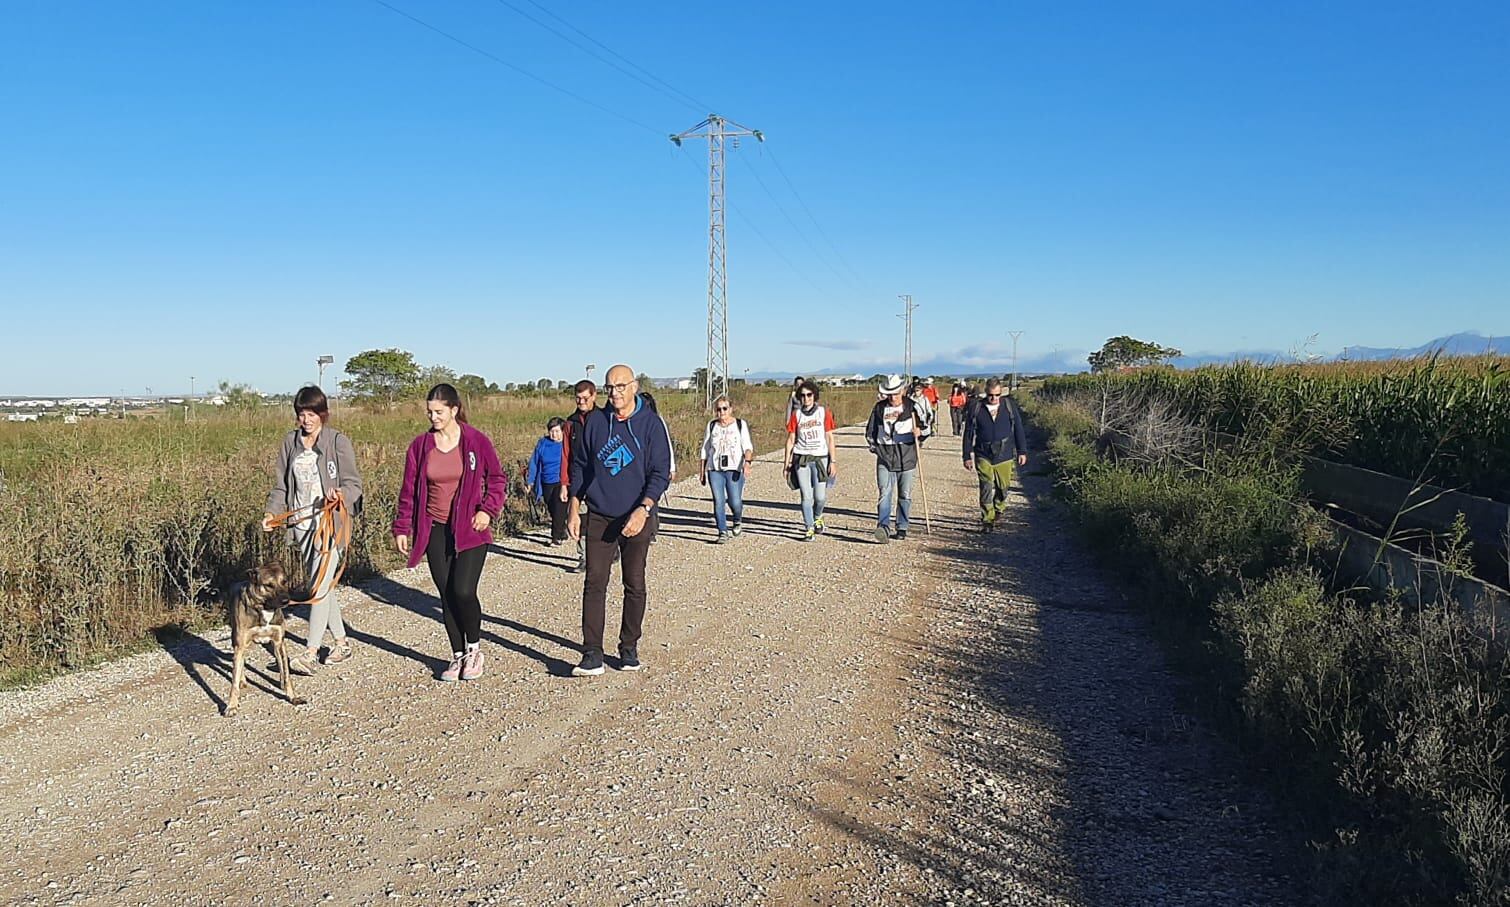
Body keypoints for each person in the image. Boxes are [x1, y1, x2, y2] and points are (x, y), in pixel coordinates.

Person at [392, 384, 507, 681]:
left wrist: (487, 509)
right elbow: (408, 491)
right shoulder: (420, 446)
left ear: (454, 410)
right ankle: (457, 656)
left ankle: (474, 650)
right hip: (435, 528)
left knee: (463, 590)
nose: (433, 417)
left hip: (470, 528)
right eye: (430, 412)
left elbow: (496, 478)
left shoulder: (475, 441)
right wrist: (402, 526)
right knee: (446, 593)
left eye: (439, 412)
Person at [567, 364, 672, 677]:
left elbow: (660, 472)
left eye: (621, 386)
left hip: (637, 514)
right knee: (594, 581)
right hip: (599, 514)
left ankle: (628, 647)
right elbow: (582, 466)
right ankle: (592, 653)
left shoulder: (650, 424)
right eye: (610, 387)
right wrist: (574, 505)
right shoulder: (597, 423)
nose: (615, 393)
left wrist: (643, 509)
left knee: (634, 582)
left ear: (635, 386)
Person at [262, 385, 362, 675]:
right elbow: (281, 486)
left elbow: (354, 485)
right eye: (301, 414)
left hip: (331, 526)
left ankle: (309, 652)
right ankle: (342, 643)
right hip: (302, 526)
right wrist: (272, 513)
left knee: (317, 588)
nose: (306, 420)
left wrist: (341, 494)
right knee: (325, 588)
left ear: (323, 414)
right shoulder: (289, 443)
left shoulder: (337, 442)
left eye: (312, 414)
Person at [962, 378, 1028, 532]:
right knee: (985, 486)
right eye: (991, 395)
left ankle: (999, 507)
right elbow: (968, 433)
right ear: (986, 393)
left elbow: (1018, 428)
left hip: (1004, 454)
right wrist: (966, 455)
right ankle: (987, 520)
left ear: (1001, 392)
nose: (994, 398)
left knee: (1003, 488)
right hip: (983, 453)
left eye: (997, 395)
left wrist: (1022, 451)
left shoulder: (1009, 406)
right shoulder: (977, 408)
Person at [865, 375, 921, 543]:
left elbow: (925, 426)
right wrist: (876, 448)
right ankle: (883, 527)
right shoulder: (879, 408)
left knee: (904, 494)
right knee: (884, 493)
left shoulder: (912, 407)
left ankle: (902, 526)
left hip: (907, 457)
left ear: (902, 391)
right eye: (889, 394)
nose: (893, 397)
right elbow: (870, 431)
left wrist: (920, 433)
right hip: (885, 457)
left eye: (895, 393)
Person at [783, 379, 838, 541]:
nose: (806, 398)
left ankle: (817, 517)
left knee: (819, 497)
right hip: (802, 458)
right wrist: (786, 463)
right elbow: (791, 440)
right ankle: (809, 527)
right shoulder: (796, 415)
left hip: (820, 458)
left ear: (814, 396)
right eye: (803, 395)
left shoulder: (823, 412)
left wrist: (833, 461)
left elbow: (829, 437)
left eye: (809, 395)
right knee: (806, 496)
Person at [699, 395, 754, 542]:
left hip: (734, 468)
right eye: (718, 409)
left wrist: (747, 462)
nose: (721, 412)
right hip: (715, 469)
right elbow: (705, 449)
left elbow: (748, 446)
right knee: (718, 500)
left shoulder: (740, 425)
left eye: (724, 408)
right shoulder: (712, 426)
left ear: (731, 409)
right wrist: (702, 471)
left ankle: (737, 519)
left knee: (735, 501)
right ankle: (722, 531)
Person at [558, 379, 599, 573]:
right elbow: (566, 454)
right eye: (578, 398)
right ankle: (584, 557)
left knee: (601, 515)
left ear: (594, 396)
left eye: (585, 398)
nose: (581, 402)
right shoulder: (570, 423)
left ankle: (610, 546)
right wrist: (564, 483)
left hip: (601, 477)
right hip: (578, 477)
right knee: (579, 517)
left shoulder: (604, 417)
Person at [528, 417, 568, 545]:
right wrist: (530, 481)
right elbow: (534, 462)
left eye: (557, 431)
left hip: (561, 481)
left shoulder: (566, 445)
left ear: (562, 431)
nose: (554, 434)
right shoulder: (543, 443)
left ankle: (556, 537)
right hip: (545, 481)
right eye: (551, 431)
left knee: (559, 507)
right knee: (552, 508)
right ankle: (561, 530)